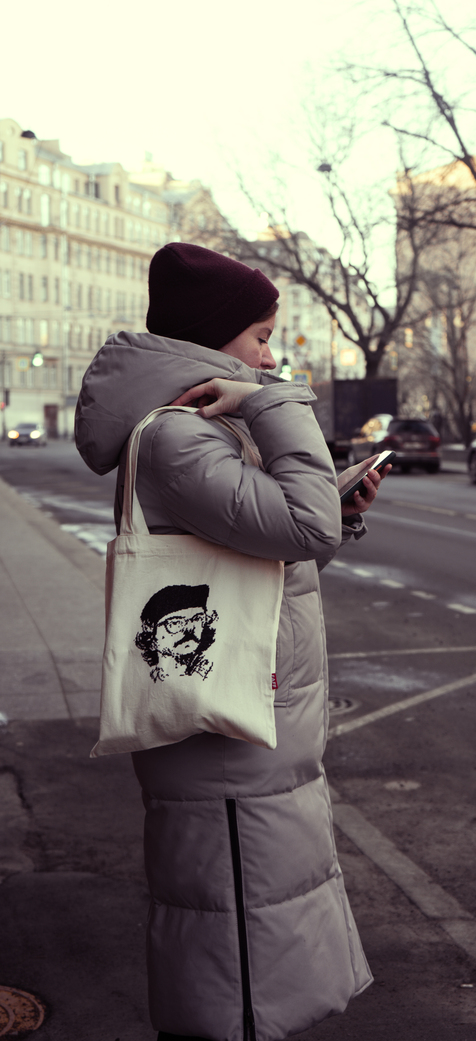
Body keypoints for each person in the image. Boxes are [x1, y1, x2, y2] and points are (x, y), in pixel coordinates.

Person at [75, 243, 388, 1041]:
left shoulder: (203, 430)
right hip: (225, 732)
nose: (270, 357)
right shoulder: (179, 438)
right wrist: (277, 404)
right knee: (235, 955)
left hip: (250, 722)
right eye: (260, 337)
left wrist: (339, 506)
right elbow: (302, 528)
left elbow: (270, 555)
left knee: (252, 936)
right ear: (213, 341)